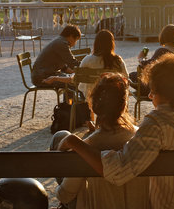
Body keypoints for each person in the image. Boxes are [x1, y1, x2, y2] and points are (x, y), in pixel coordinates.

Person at [58, 53, 174, 209]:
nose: (151, 97)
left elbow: (118, 172)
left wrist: (73, 141)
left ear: (168, 93)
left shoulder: (158, 125)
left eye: (153, 92)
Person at [50, 73, 150, 209]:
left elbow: (65, 196)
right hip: (137, 203)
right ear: (124, 105)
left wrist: (68, 142)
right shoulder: (140, 137)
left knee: (59, 136)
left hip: (97, 204)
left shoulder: (86, 148)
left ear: (93, 105)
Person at [129, 24, 174, 95]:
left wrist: (141, 59)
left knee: (132, 75)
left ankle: (140, 92)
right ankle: (138, 91)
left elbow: (148, 66)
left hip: (160, 87)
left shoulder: (161, 51)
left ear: (164, 36)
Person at [31, 25, 81, 90]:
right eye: (76, 40)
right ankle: (70, 100)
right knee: (74, 83)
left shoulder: (59, 41)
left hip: (42, 74)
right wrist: (88, 67)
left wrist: (73, 72)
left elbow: (63, 67)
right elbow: (72, 63)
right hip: (42, 77)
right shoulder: (61, 44)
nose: (75, 43)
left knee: (71, 79)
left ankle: (67, 100)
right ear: (71, 36)